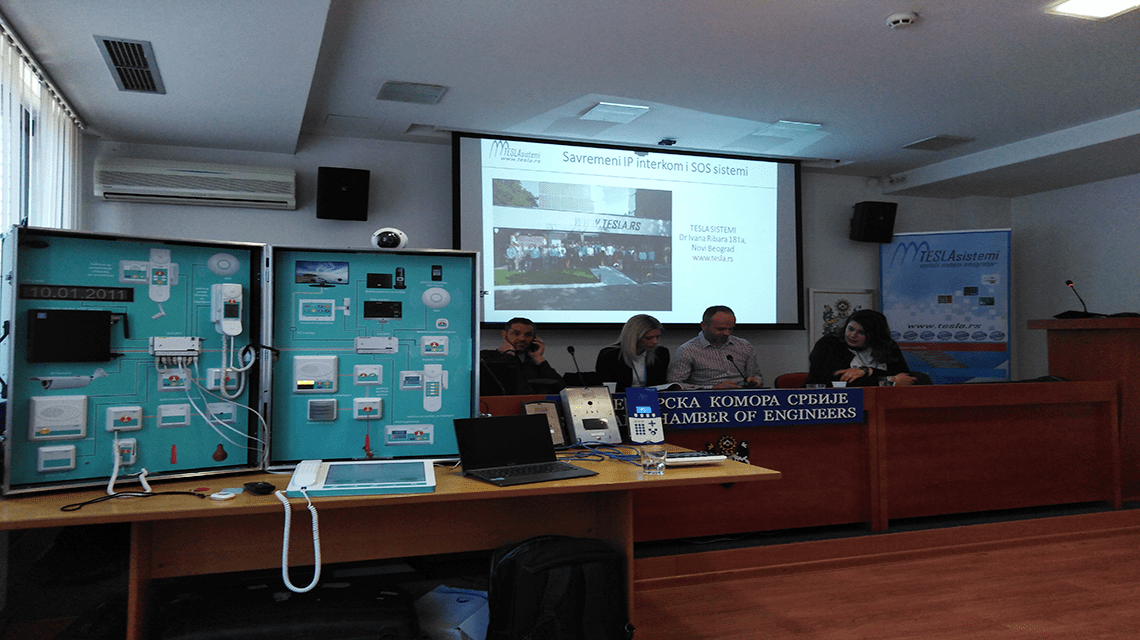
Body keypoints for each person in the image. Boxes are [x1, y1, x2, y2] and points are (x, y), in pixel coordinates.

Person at [806, 309, 920, 386]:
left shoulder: (888, 346)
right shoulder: (829, 344)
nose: (852, 335)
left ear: (875, 335)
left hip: (881, 401)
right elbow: (841, 382)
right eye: (850, 329)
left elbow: (906, 378)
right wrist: (890, 380)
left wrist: (868, 371)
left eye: (861, 332)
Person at [667, 305, 763, 389]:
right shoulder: (687, 350)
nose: (727, 333)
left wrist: (756, 380)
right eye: (720, 329)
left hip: (742, 397)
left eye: (730, 329)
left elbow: (755, 375)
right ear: (704, 326)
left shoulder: (744, 346)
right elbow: (675, 384)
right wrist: (713, 388)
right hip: (705, 398)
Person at [479, 317, 564, 395]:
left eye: (528, 335)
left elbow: (561, 388)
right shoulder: (486, 356)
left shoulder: (535, 363)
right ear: (504, 334)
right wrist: (509, 354)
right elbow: (495, 385)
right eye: (516, 333)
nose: (522, 338)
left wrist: (540, 359)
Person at [595, 314, 670, 391]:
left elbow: (660, 384)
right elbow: (607, 388)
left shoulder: (661, 353)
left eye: (657, 337)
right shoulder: (609, 355)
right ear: (634, 337)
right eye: (648, 338)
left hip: (651, 397)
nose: (655, 341)